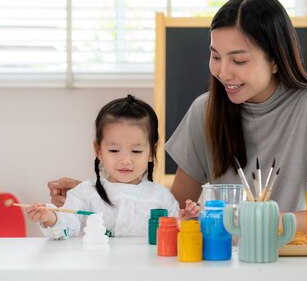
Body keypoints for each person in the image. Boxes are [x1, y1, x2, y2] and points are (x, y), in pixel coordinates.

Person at [49, 0, 307, 233]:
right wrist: (99, 193)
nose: (224, 72)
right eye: (215, 56)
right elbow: (171, 208)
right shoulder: (205, 110)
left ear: (275, 60)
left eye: (238, 61)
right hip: (221, 262)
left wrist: (243, 222)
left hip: (293, 261)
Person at [27, 95, 199, 239]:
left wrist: (184, 222)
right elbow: (66, 227)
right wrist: (50, 217)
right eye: (114, 150)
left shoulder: (161, 198)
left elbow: (174, 238)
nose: (125, 160)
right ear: (98, 150)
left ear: (151, 153)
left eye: (136, 151)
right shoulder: (85, 194)